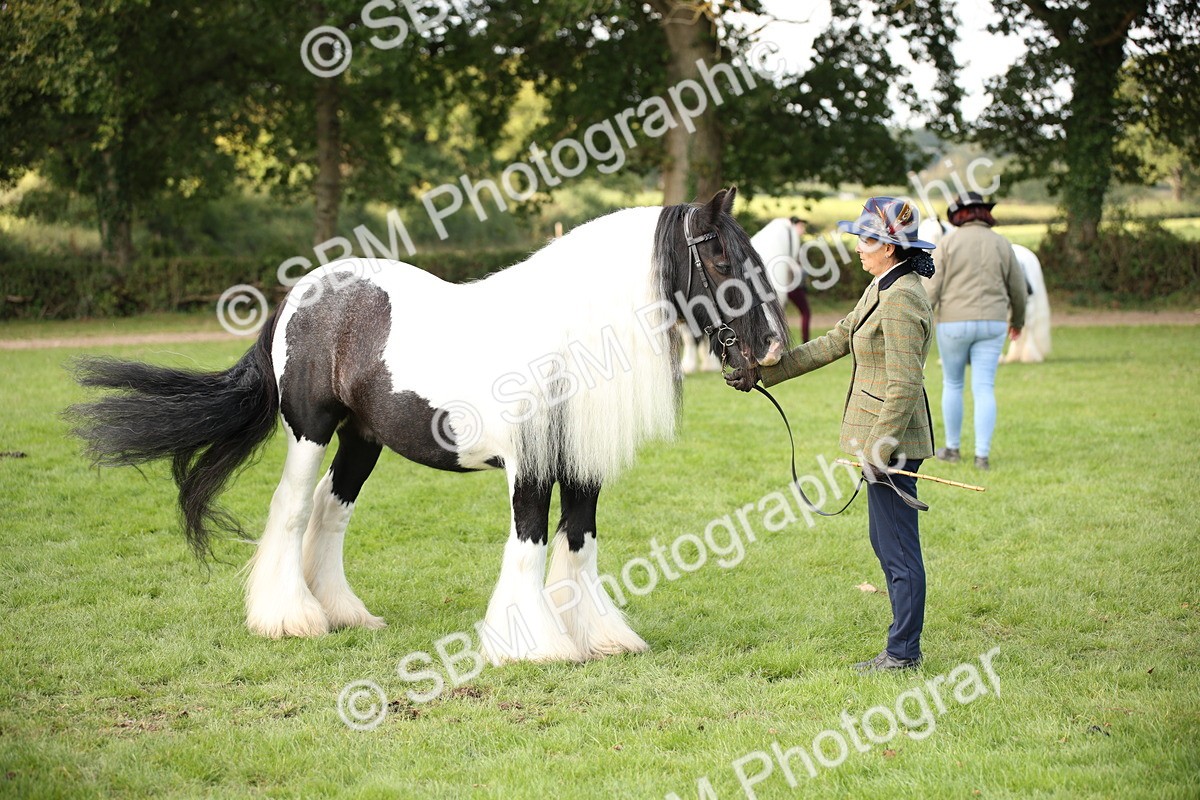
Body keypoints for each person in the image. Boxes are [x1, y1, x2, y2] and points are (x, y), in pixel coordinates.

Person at [726, 197, 937, 673]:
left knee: (898, 550)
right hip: (884, 442)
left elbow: (905, 383)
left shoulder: (902, 297)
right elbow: (836, 340)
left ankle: (903, 653)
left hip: (894, 444)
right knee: (886, 544)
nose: (858, 248)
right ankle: (902, 648)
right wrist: (765, 373)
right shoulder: (884, 284)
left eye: (865, 240)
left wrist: (880, 448)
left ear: (889, 247)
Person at [926, 192, 1026, 470]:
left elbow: (932, 287)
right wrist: (1017, 322)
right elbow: (1018, 289)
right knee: (984, 388)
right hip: (993, 323)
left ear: (958, 214)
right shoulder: (1002, 243)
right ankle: (982, 456)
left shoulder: (947, 243)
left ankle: (953, 448)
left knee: (953, 384)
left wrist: (922, 317)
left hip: (953, 322)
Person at [751, 216, 813, 342]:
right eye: (801, 227)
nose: (803, 230)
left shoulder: (781, 234)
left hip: (783, 285)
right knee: (805, 312)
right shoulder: (790, 235)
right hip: (790, 286)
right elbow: (790, 265)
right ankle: (805, 340)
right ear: (795, 224)